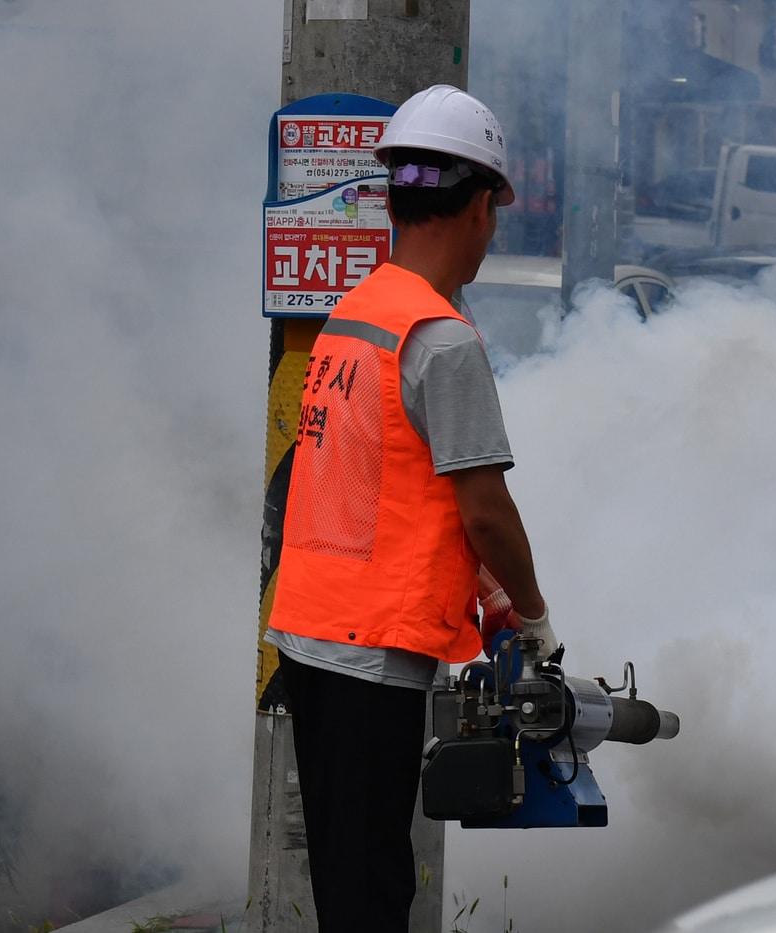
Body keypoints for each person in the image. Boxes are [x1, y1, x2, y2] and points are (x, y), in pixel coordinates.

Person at [263, 85, 557, 932]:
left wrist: (484, 600)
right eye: (493, 212)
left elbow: (384, 488)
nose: (491, 234)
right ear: (472, 210)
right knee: (375, 896)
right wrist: (531, 614)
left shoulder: (358, 311)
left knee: (348, 886)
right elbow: (486, 511)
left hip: (310, 636)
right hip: (371, 653)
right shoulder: (442, 338)